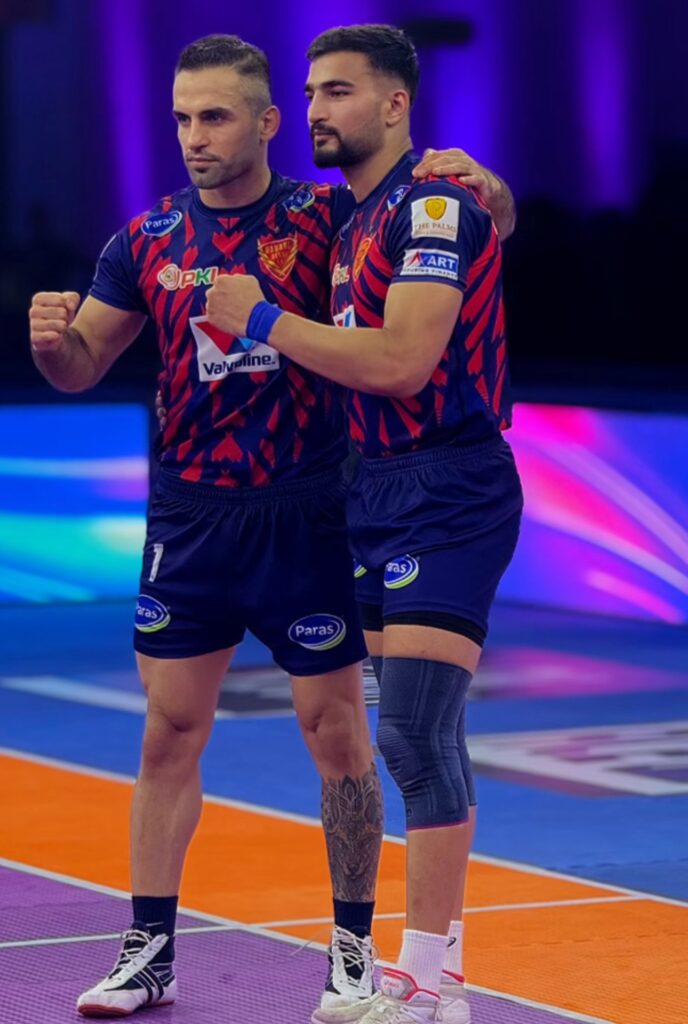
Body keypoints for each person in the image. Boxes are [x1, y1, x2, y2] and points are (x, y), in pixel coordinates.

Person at [29, 33, 515, 1021]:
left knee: (350, 734)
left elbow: (452, 226)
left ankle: (358, 955)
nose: (194, 137)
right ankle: (149, 951)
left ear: (265, 123)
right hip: (192, 515)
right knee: (170, 730)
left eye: (214, 116)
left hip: (314, 508)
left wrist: (492, 191)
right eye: (180, 118)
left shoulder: (328, 212)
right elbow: (80, 363)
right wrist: (51, 346)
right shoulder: (145, 239)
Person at [205, 24, 524, 1024]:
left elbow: (401, 363)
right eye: (309, 93)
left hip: (449, 482)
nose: (315, 110)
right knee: (425, 737)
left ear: (395, 105)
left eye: (338, 91)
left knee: (415, 733)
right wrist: (503, 199)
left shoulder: (429, 204)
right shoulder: (356, 216)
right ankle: (440, 979)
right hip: (375, 487)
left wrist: (261, 318)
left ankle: (422, 987)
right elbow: (498, 219)